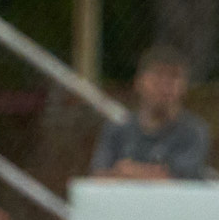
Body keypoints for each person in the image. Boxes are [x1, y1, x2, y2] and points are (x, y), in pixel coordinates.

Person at [90, 45, 211, 181]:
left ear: (184, 86)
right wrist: (147, 174)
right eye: (158, 75)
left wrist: (127, 171)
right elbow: (99, 177)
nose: (165, 85)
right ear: (139, 82)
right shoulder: (117, 129)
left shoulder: (193, 132)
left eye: (174, 77)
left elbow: (178, 181)